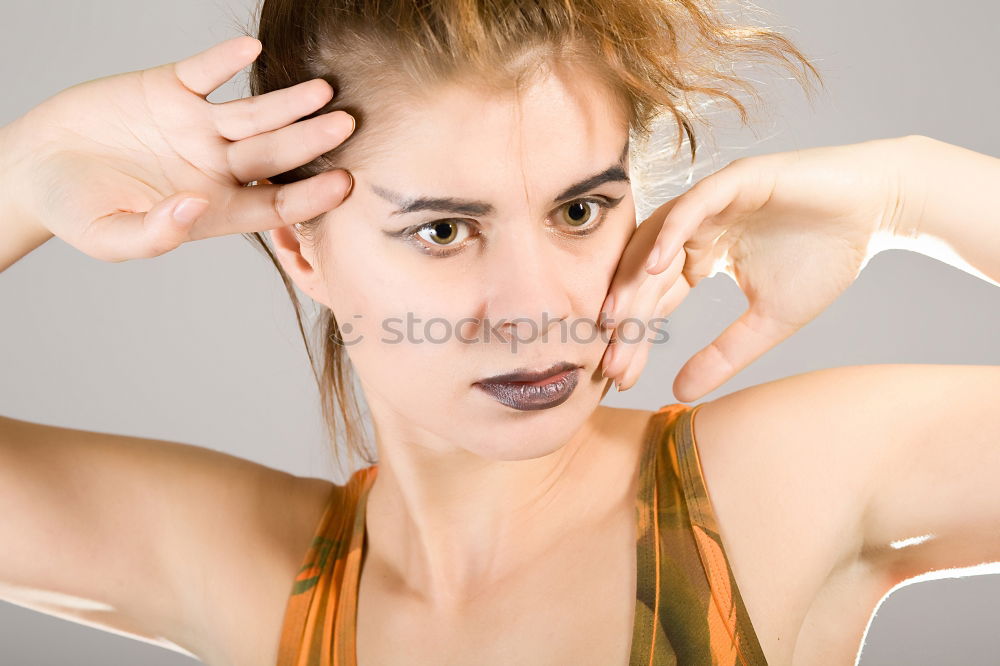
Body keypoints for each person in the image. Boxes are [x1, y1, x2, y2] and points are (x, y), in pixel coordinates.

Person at [0, 1, 997, 664]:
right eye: (443, 229)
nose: (538, 304)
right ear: (302, 247)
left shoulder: (778, 486)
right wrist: (25, 167)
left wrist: (908, 191)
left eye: (578, 213)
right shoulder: (255, 575)